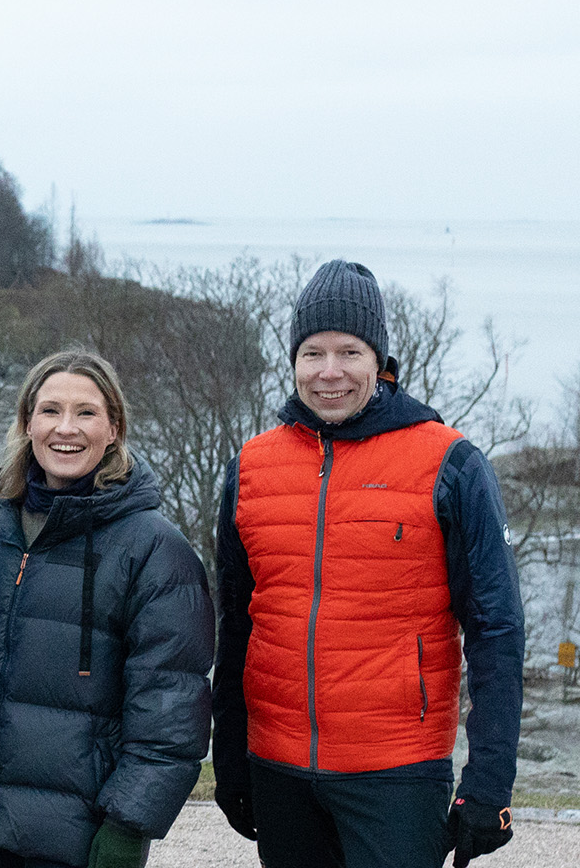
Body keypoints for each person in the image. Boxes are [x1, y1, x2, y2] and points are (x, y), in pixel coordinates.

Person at [212, 260, 525, 868]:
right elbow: (238, 625)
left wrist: (490, 784)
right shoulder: (251, 468)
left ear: (379, 361)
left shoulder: (450, 463)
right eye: (313, 353)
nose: (330, 373)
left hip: (398, 776)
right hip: (278, 771)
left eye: (349, 352)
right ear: (294, 361)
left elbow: (497, 631)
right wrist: (231, 758)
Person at [0, 350, 211, 868]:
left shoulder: (154, 549)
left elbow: (170, 707)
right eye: (50, 410)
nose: (67, 428)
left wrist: (131, 822)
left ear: (113, 428)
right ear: (27, 424)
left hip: (88, 833)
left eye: (86, 412)